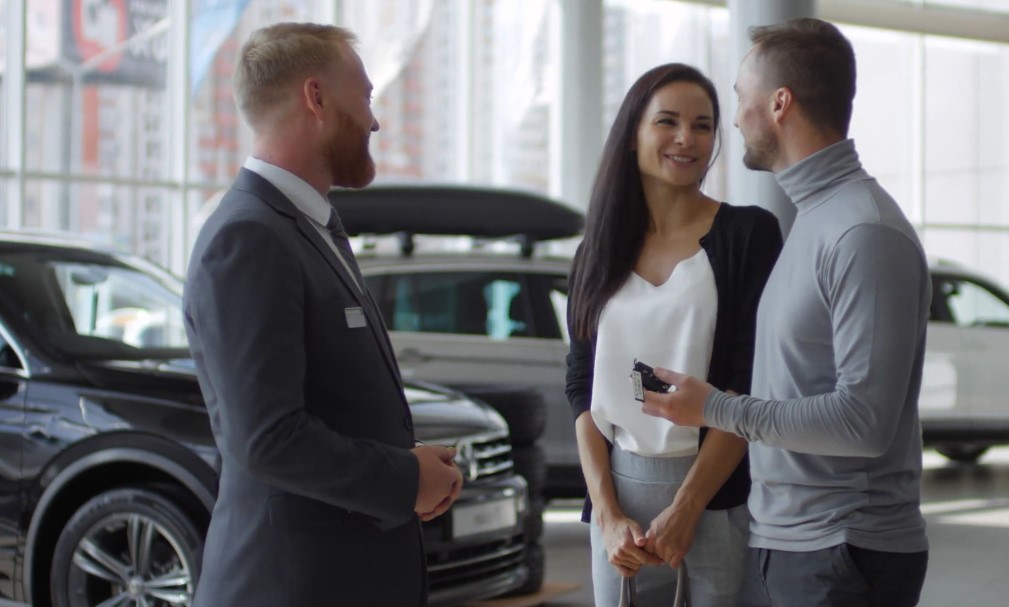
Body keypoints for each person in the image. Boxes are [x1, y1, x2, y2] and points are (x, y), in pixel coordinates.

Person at [641, 18, 930, 607]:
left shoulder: (862, 232)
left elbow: (864, 423)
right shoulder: (816, 219)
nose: (737, 116)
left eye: (742, 97)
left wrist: (714, 408)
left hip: (843, 552)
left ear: (779, 103)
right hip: (794, 545)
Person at [183, 23, 462, 607]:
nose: (375, 120)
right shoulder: (248, 237)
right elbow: (266, 438)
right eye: (364, 98)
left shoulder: (308, 226)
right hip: (290, 585)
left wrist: (407, 462)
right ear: (316, 97)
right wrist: (404, 479)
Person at [565, 63, 782, 607]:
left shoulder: (747, 235)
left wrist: (687, 509)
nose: (687, 138)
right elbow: (581, 389)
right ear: (633, 132)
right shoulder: (597, 251)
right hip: (618, 499)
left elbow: (746, 382)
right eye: (668, 121)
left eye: (704, 125)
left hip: (716, 492)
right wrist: (608, 515)